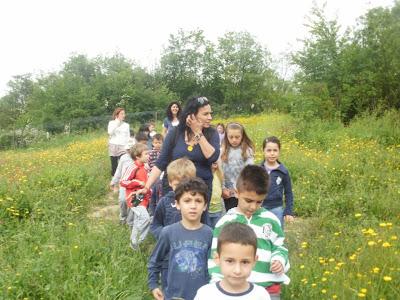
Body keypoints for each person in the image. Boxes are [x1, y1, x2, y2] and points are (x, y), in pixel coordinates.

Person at [208, 165, 290, 300]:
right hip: (235, 290)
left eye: (259, 202)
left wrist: (279, 260)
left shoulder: (271, 220)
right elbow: (215, 255)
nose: (253, 206)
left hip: (268, 288)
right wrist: (217, 284)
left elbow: (280, 246)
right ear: (237, 192)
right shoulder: (225, 222)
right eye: (248, 200)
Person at [139, 96, 220, 203]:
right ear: (191, 116)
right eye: (205, 114)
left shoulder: (212, 134)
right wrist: (146, 187)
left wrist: (198, 133)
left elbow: (212, 157)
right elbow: (161, 163)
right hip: (174, 190)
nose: (210, 117)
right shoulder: (175, 133)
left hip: (200, 192)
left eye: (210, 113)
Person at [148, 178, 212, 300]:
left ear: (205, 206)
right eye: (187, 201)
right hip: (173, 295)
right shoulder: (168, 232)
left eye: (198, 201)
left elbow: (214, 267)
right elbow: (155, 261)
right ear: (177, 204)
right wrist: (153, 284)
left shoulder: (209, 234)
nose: (193, 206)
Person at [195, 223, 271, 299]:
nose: (237, 270)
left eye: (245, 262)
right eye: (230, 261)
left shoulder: (261, 295)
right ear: (217, 258)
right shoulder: (205, 295)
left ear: (254, 261)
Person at [150, 157, 197, 239]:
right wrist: (164, 235)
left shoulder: (197, 202)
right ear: (170, 183)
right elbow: (155, 225)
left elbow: (206, 225)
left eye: (186, 184)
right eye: (177, 185)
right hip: (170, 246)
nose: (182, 188)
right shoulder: (164, 202)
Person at [119, 143, 151, 249]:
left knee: (138, 220)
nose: (148, 156)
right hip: (135, 198)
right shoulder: (133, 166)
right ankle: (136, 241)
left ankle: (134, 247)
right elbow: (123, 181)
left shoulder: (145, 167)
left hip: (143, 197)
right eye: (146, 154)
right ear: (137, 156)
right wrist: (137, 182)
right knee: (145, 218)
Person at [261, 136, 294, 227]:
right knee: (260, 234)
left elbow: (288, 192)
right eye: (269, 150)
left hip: (277, 208)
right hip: (260, 208)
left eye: (275, 150)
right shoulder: (259, 169)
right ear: (263, 151)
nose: (272, 153)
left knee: (277, 234)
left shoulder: (283, 171)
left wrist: (288, 211)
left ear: (279, 151)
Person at [221, 122, 254, 211]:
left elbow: (249, 171)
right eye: (231, 137)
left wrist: (241, 188)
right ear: (226, 137)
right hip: (229, 193)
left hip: (243, 191)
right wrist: (223, 188)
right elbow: (221, 172)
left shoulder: (247, 150)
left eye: (237, 137)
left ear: (242, 136)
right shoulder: (222, 151)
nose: (234, 140)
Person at [110, 141, 135, 224]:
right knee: (123, 200)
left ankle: (130, 220)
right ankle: (123, 217)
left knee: (133, 202)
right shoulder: (123, 158)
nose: (129, 151)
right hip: (124, 183)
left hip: (135, 184)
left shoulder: (139, 157)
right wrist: (114, 181)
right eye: (128, 149)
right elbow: (119, 170)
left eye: (131, 149)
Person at [107, 108, 130, 176]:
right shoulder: (111, 123)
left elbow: (128, 137)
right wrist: (117, 123)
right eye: (122, 114)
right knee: (114, 165)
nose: (124, 115)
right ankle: (114, 180)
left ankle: (123, 179)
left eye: (124, 113)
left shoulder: (126, 125)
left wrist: (128, 147)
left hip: (123, 146)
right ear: (117, 115)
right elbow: (110, 132)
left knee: (124, 163)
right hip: (113, 145)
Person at [208, 161, 225, 228]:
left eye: (216, 160)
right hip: (208, 210)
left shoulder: (219, 174)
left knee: (217, 230)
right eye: (212, 160)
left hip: (217, 209)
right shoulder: (206, 176)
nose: (214, 161)